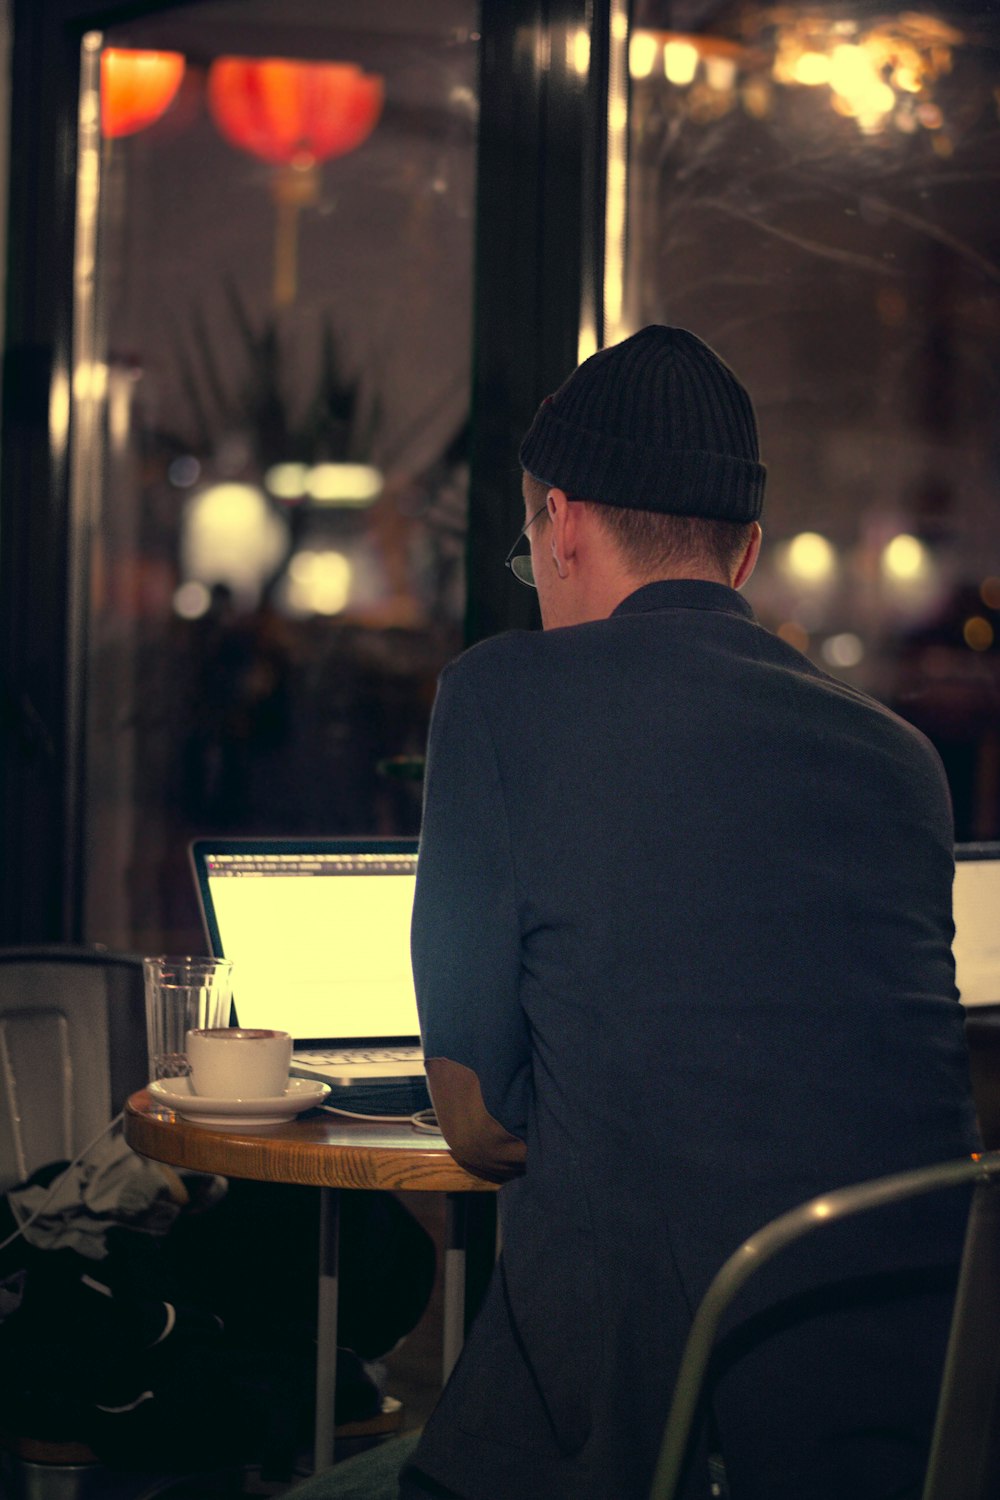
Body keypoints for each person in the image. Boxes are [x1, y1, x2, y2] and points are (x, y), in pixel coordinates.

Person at [401, 327, 979, 1500]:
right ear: (747, 551)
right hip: (903, 1437)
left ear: (559, 523)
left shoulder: (500, 700)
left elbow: (475, 1125)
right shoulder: (903, 757)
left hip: (645, 1442)